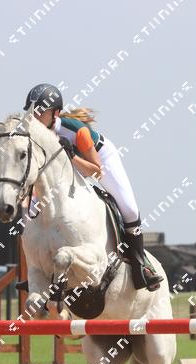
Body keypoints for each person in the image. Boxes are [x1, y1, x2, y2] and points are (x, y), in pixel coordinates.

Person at [23, 83, 163, 291]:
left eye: (41, 112)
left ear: (55, 113)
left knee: (130, 210)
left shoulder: (77, 131)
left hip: (99, 160)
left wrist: (72, 156)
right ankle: (38, 271)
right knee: (33, 212)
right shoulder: (32, 133)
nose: (35, 116)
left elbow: (96, 172)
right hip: (67, 166)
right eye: (33, 111)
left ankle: (141, 265)